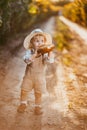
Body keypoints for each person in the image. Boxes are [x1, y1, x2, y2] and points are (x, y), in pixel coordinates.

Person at [17, 29, 54, 115]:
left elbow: (49, 61)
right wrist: (34, 55)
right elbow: (26, 60)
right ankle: (23, 103)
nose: (40, 43)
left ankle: (38, 106)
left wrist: (49, 53)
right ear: (31, 43)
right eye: (37, 41)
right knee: (24, 90)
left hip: (40, 77)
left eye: (42, 41)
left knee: (38, 93)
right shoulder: (29, 52)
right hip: (29, 76)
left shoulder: (44, 54)